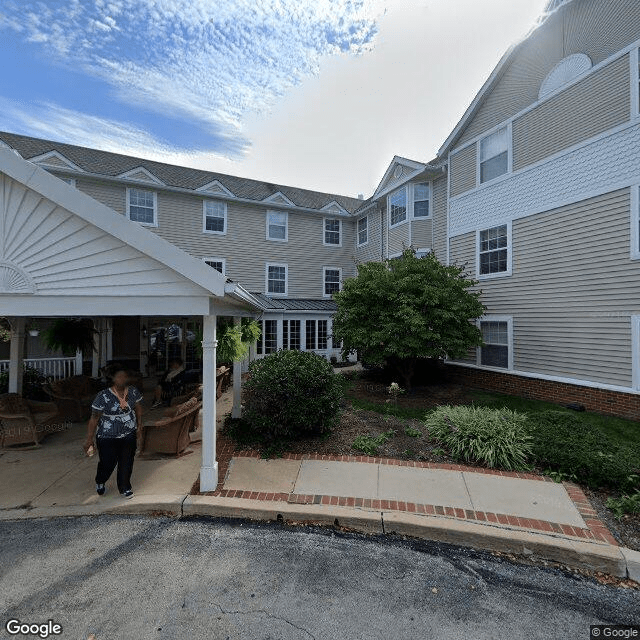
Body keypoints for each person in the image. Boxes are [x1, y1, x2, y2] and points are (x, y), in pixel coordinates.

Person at [84, 368, 143, 498]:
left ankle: (125, 487)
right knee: (107, 462)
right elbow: (94, 418)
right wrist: (89, 439)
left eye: (124, 376)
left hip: (129, 433)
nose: (122, 379)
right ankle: (100, 480)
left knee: (127, 461)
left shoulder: (133, 391)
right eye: (119, 377)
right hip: (107, 436)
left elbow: (138, 407)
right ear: (113, 379)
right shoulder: (103, 396)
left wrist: (139, 425)